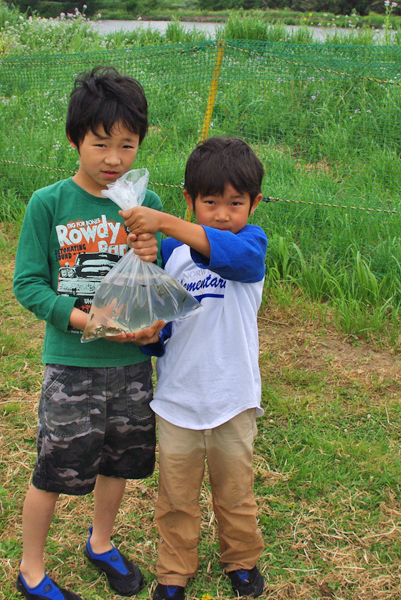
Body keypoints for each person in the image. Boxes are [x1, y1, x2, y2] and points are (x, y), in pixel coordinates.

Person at [12, 65, 165, 600]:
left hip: (130, 366)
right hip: (72, 365)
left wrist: (151, 256)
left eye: (127, 145)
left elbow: (154, 285)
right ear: (75, 139)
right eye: (101, 144)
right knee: (55, 468)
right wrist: (84, 320)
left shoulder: (144, 208)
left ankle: (101, 542)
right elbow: (28, 285)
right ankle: (31, 571)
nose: (115, 160)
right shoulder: (48, 203)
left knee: (119, 460)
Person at [121, 136, 268, 599]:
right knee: (176, 498)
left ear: (254, 204)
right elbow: (165, 321)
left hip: (232, 399)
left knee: (235, 495)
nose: (223, 213)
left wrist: (166, 222)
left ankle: (241, 561)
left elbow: (235, 255)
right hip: (177, 399)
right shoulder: (173, 254)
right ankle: (173, 571)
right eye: (210, 202)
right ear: (191, 199)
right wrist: (151, 334)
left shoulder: (252, 245)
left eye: (235, 203)